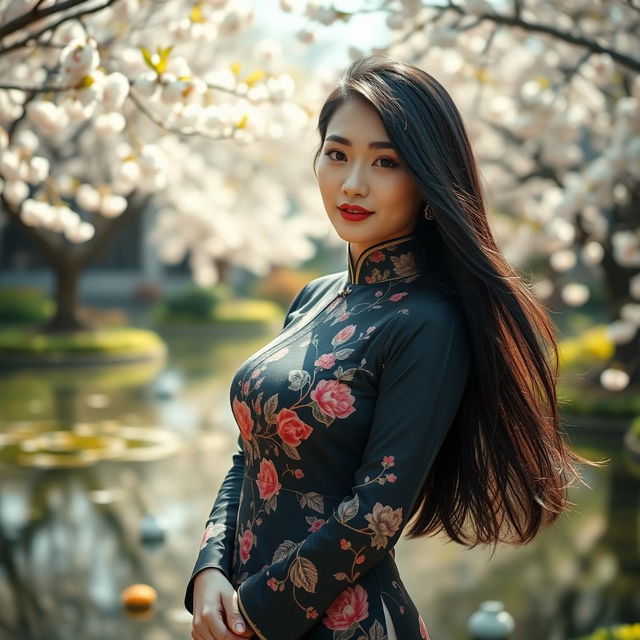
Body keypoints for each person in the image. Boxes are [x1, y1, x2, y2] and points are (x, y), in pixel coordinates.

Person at [184, 54, 600, 640]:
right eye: (337, 153)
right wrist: (209, 572)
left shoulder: (429, 322)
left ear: (427, 179)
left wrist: (255, 613)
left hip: (339, 626)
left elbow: (376, 514)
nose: (354, 183)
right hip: (237, 611)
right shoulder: (314, 297)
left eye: (386, 161)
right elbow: (247, 460)